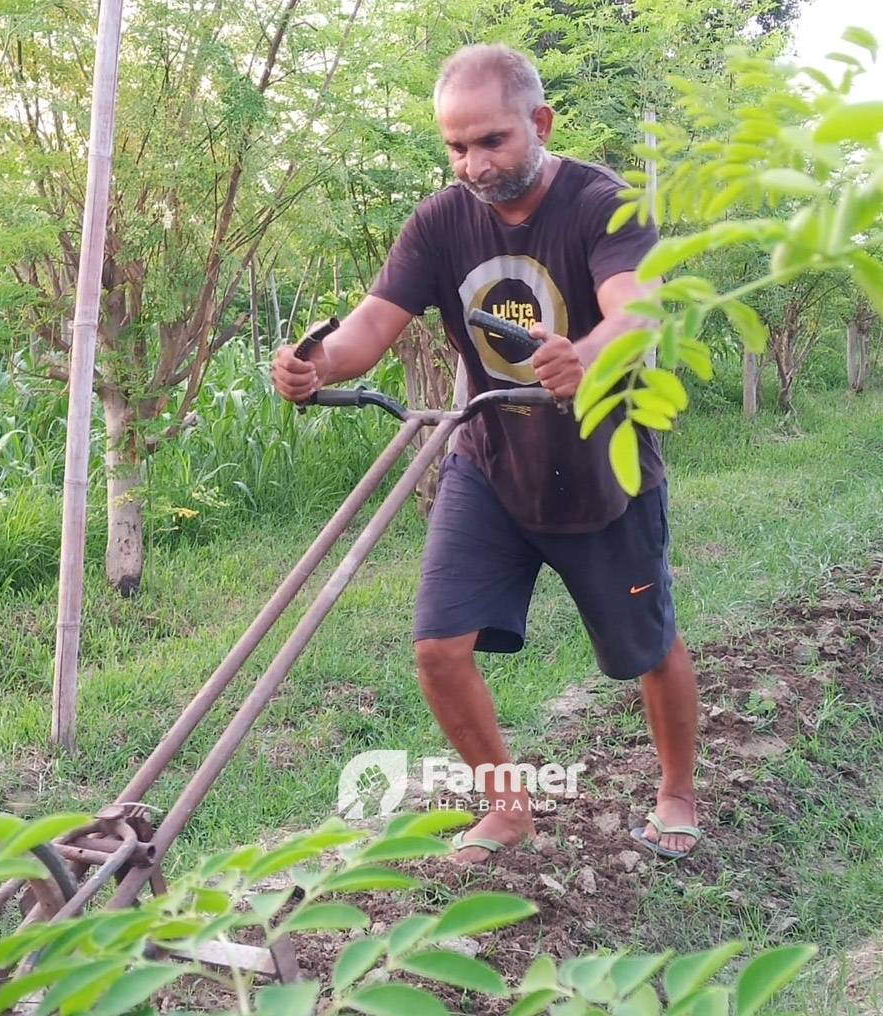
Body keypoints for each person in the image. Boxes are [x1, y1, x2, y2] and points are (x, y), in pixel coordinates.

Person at [271, 43, 701, 864]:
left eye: (491, 142)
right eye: (456, 147)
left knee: (648, 647)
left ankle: (677, 791)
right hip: (489, 460)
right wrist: (314, 365)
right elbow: (370, 325)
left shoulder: (603, 204)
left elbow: (637, 312)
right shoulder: (438, 221)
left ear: (539, 123)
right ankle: (506, 809)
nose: (471, 163)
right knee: (438, 647)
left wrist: (591, 352)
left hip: (604, 469)